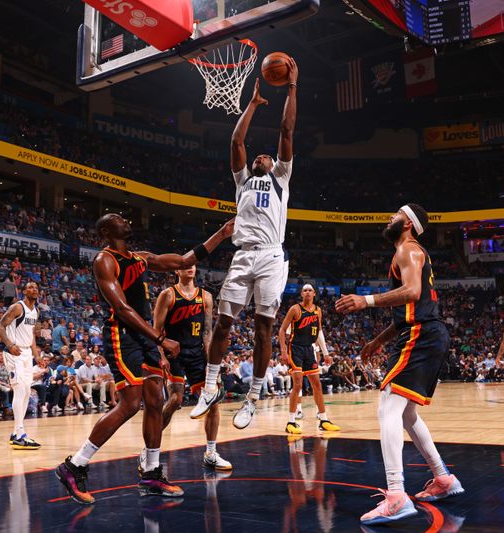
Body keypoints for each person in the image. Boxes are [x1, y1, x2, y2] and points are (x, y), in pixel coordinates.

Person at [55, 213, 234, 504]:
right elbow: (123, 309)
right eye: (117, 218)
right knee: (130, 403)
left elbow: (183, 260)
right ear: (105, 230)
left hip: (146, 338)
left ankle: (151, 473)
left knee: (155, 400)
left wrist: (222, 234)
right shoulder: (105, 260)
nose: (125, 219)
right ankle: (74, 465)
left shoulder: (140, 257)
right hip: (122, 334)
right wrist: (160, 339)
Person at [335, 204, 464, 526]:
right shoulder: (407, 252)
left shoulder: (408, 249)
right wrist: (378, 341)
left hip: (421, 334)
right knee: (406, 413)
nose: (387, 217)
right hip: (423, 332)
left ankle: (396, 496)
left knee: (387, 409)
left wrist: (366, 301)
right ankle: (443, 478)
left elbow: (412, 291)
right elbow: (409, 305)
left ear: (407, 223)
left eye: (393, 214)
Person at [191, 60, 299, 431]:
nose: (260, 157)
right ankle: (209, 387)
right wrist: (252, 105)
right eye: (258, 156)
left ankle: (253, 397)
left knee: (263, 329)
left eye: (266, 156)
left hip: (270, 256)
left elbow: (286, 129)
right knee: (222, 324)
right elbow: (236, 141)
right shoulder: (241, 181)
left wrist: (292, 89)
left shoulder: (281, 177)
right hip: (242, 256)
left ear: (275, 164)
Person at [149, 264, 232, 473]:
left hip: (197, 353)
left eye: (193, 266)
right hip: (173, 352)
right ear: (176, 271)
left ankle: (211, 453)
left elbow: (207, 332)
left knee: (213, 402)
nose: (190, 268)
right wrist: (161, 356)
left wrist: (211, 364)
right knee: (175, 399)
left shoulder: (206, 297)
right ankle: (149, 450)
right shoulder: (167, 295)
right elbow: (155, 331)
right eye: (185, 266)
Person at [279, 284, 340, 434]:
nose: (307, 292)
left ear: (314, 294)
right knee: (298, 384)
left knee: (317, 385)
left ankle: (324, 419)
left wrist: (326, 353)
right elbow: (281, 330)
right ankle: (291, 421)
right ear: (301, 294)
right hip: (296, 349)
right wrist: (283, 351)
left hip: (310, 349)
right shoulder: (295, 309)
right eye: (304, 290)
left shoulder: (318, 311)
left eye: (310, 290)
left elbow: (319, 332)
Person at [0, 281, 42, 449]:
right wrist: (9, 344)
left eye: (36, 288)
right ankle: (20, 433)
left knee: (27, 391)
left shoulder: (36, 311)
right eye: (30, 287)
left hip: (27, 354)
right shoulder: (17, 307)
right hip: (13, 352)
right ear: (24, 291)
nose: (34, 289)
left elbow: (31, 335)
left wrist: (37, 356)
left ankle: (17, 433)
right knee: (20, 389)